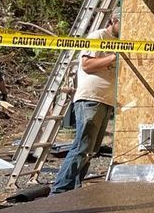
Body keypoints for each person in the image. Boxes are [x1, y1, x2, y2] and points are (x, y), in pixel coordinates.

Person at [50, 16, 120, 194]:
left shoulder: (119, 41)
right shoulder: (98, 36)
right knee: (82, 146)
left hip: (105, 100)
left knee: (91, 150)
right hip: (90, 98)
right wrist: (114, 57)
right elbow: (87, 65)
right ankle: (59, 191)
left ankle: (73, 190)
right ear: (113, 20)